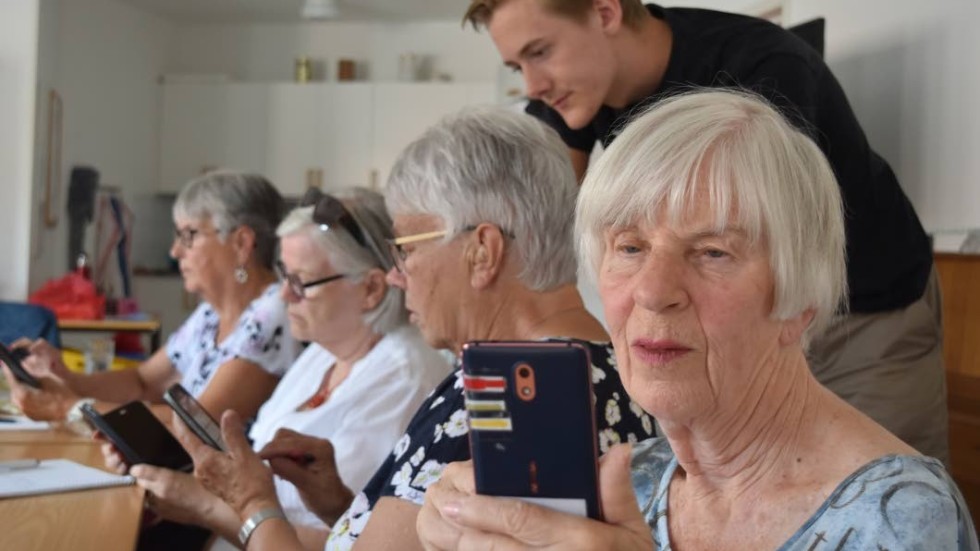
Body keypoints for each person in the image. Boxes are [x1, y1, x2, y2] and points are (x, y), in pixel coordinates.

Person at [416, 90, 978, 551]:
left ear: (799, 299)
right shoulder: (626, 481)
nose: (653, 293)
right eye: (630, 248)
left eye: (713, 252)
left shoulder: (899, 518)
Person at [463, 0, 948, 464]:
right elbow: (540, 223)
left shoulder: (762, 64)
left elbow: (757, 240)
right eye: (517, 67)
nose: (533, 84)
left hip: (866, 310)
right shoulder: (575, 93)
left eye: (540, 52)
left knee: (876, 481)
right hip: (739, 314)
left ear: (605, 12)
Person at [170, 105, 656, 551]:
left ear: (481, 251)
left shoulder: (503, 392)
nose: (398, 273)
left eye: (406, 247)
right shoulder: (616, 368)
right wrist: (341, 504)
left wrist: (252, 503)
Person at [113, 189, 450, 549]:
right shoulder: (325, 353)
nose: (284, 295)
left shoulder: (402, 380)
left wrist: (200, 504)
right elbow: (338, 516)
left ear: (370, 288)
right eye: (284, 276)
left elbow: (340, 544)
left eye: (300, 282)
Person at [4, 170, 297, 427]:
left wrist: (67, 407)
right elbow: (143, 383)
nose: (175, 251)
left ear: (241, 243)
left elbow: (197, 426)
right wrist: (63, 378)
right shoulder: (211, 315)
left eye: (188, 235)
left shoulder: (272, 314)